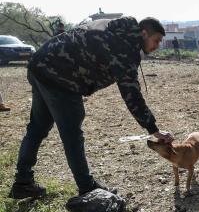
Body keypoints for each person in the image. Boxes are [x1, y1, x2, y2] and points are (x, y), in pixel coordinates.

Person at [9, 16, 174, 199]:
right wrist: (154, 129)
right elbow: (131, 94)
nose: (158, 45)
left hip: (40, 65)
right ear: (144, 33)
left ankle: (22, 182)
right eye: (156, 40)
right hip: (60, 77)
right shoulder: (124, 47)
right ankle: (87, 188)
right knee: (72, 135)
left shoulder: (116, 30)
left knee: (37, 128)